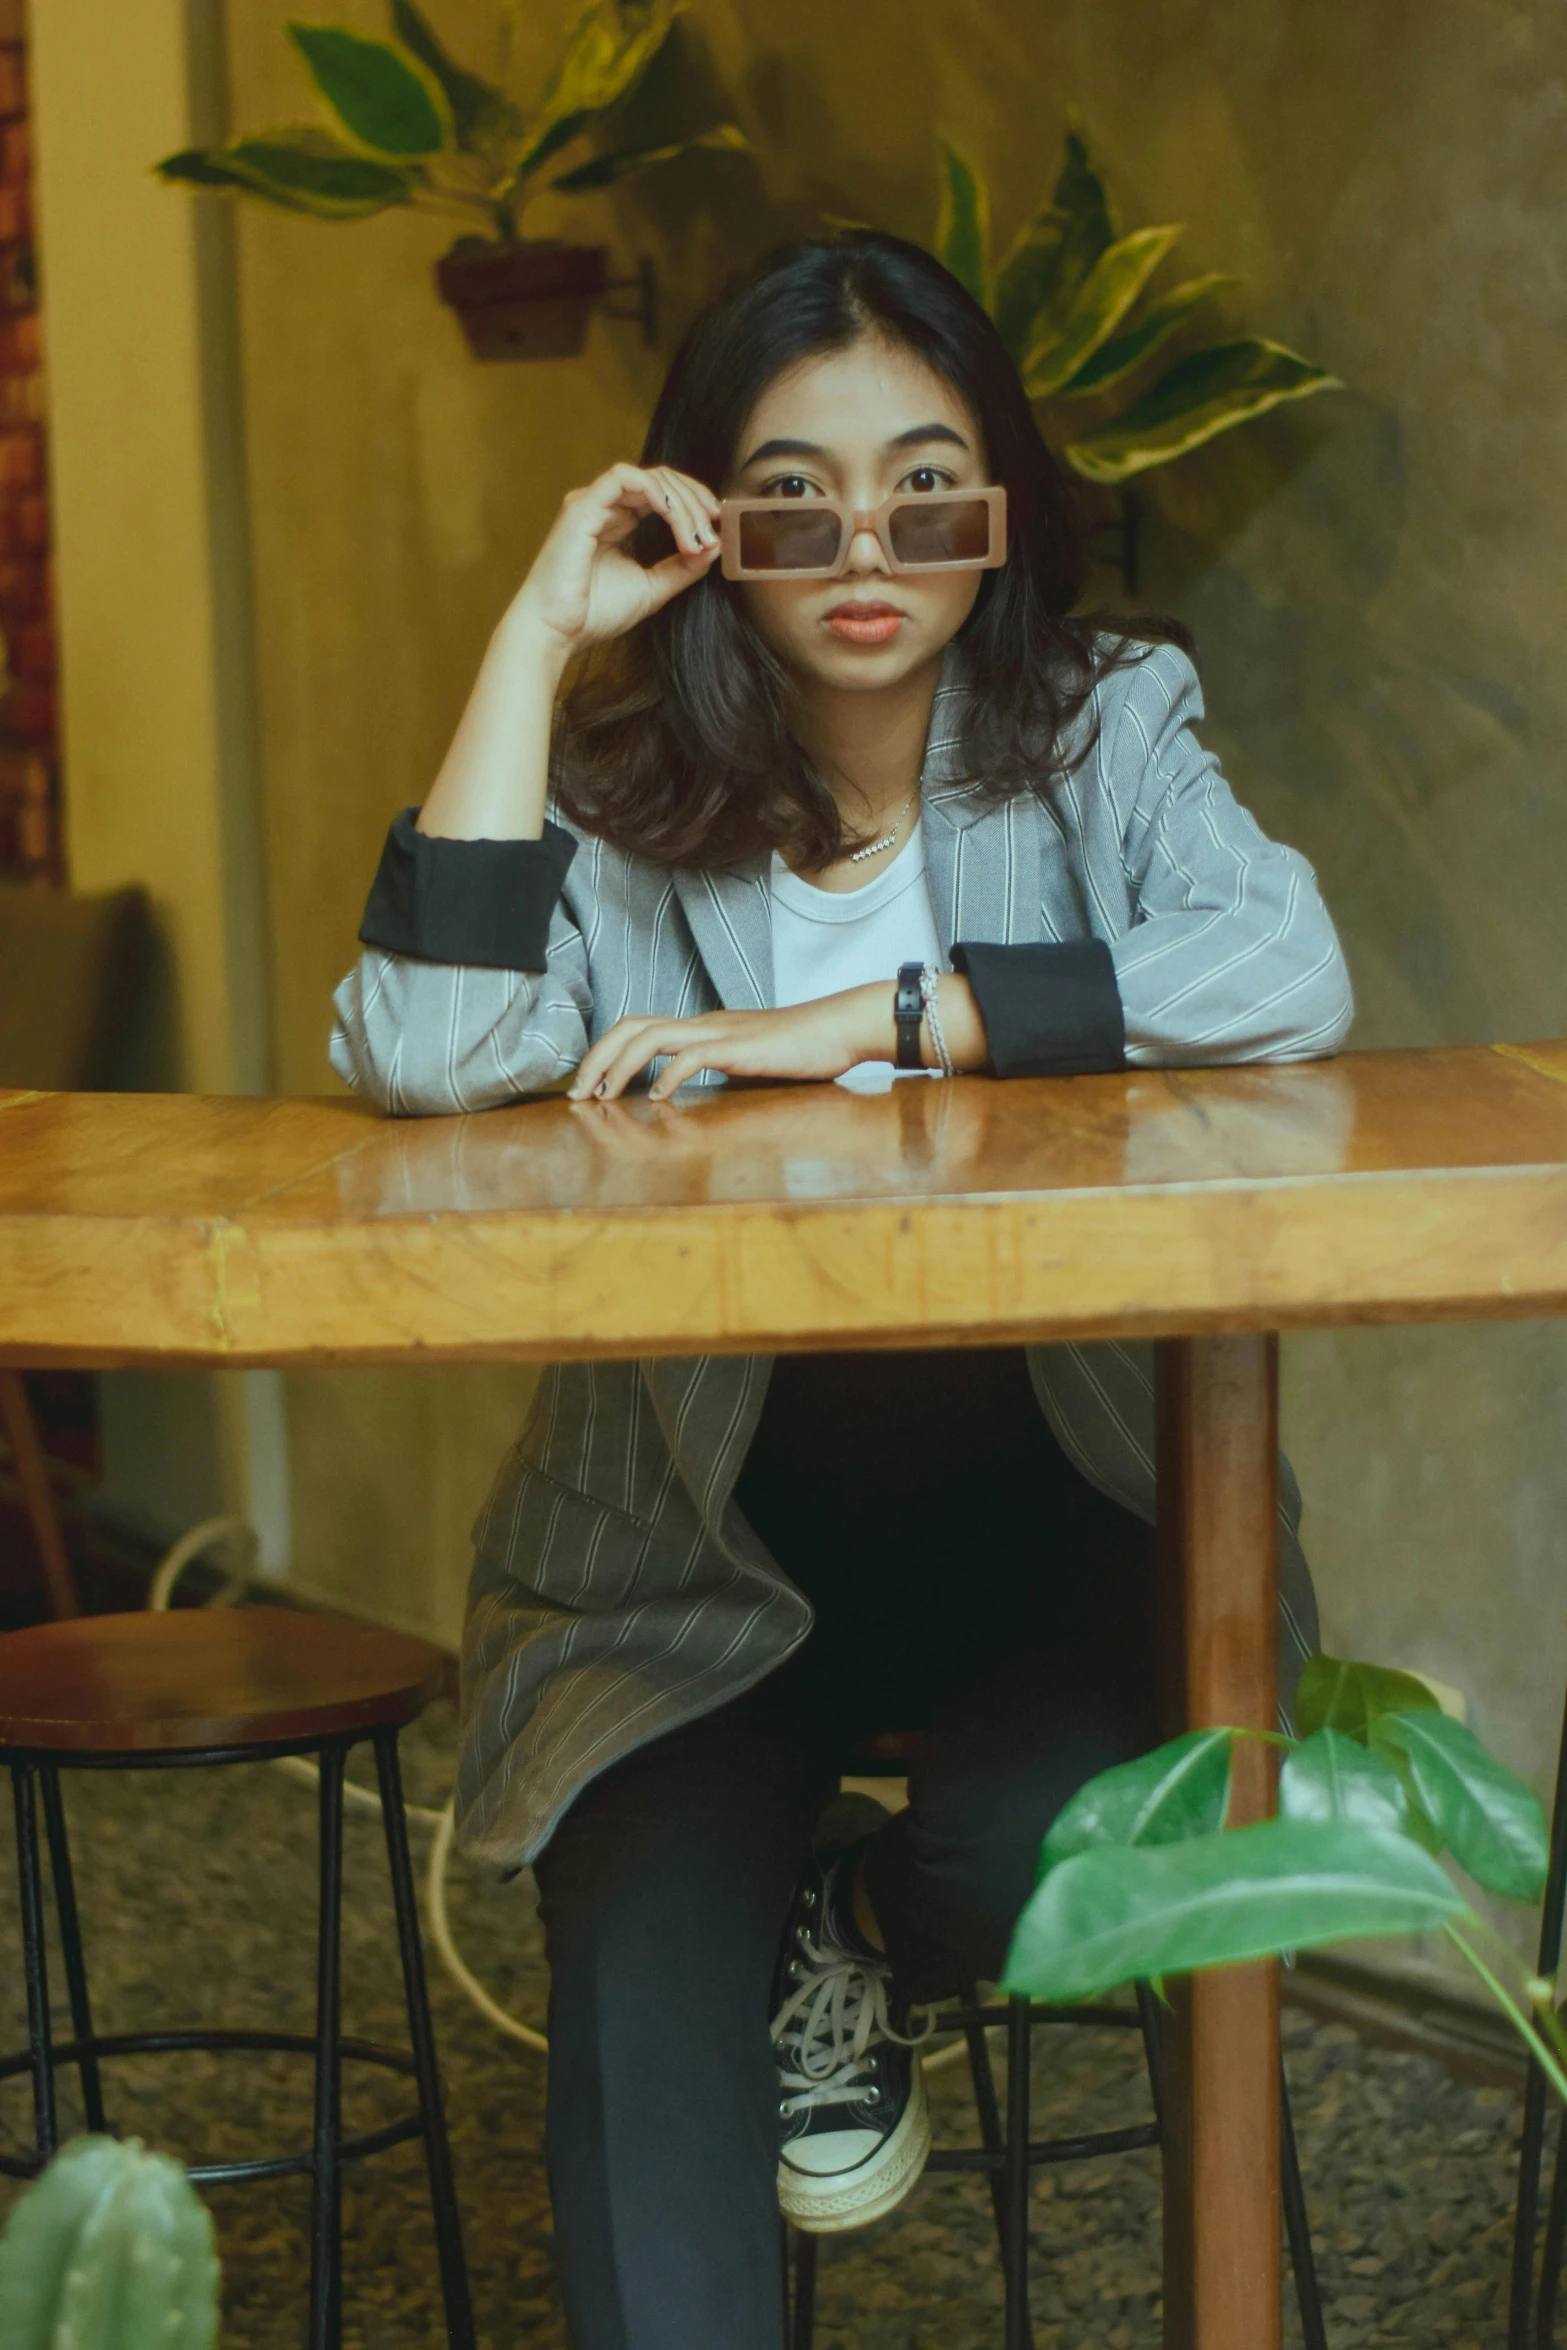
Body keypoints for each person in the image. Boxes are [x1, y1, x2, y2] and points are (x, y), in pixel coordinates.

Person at [331, 231, 1351, 2350]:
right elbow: (424, 1050)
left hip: (1059, 1530)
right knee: (639, 1976)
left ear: (1005, 506)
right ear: (705, 517)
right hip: (682, 1559)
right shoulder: (612, 802)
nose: (866, 542)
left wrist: (886, 1017)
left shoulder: (1102, 723)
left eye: (928, 482)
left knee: (1043, 1847)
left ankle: (862, 1916)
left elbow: (1280, 972)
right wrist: (532, 629)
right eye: (792, 491)